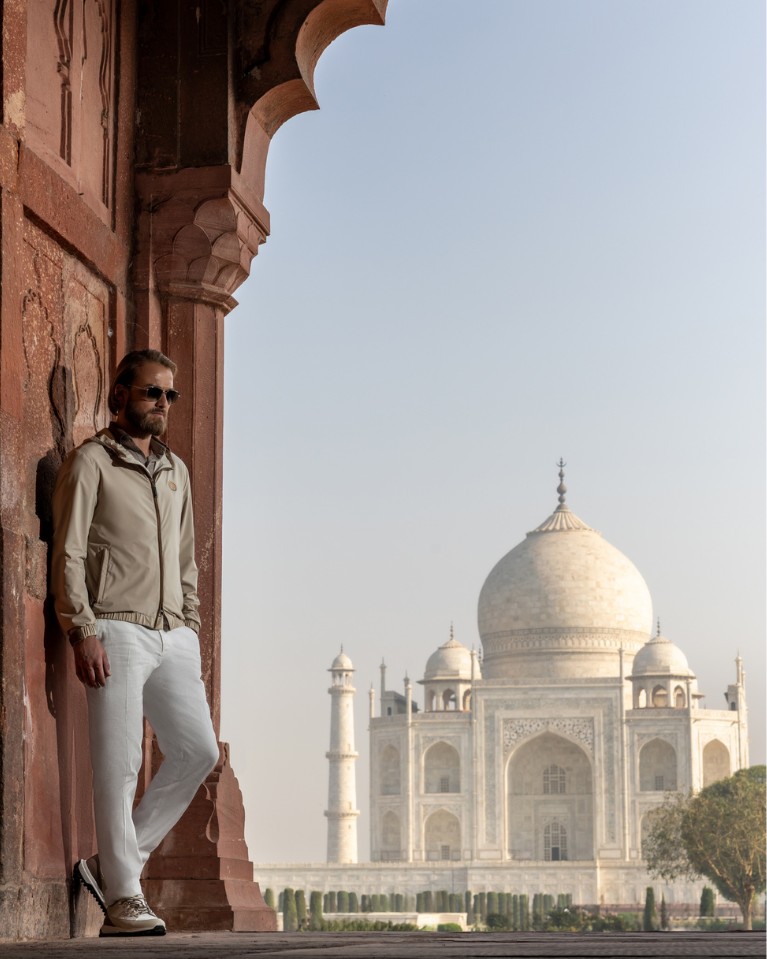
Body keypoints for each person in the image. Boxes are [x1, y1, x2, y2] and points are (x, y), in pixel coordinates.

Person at [51, 349, 219, 937]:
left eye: (170, 396)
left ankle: (111, 865)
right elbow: (68, 551)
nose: (163, 405)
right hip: (114, 626)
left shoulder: (176, 472)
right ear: (120, 394)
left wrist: (190, 625)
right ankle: (124, 898)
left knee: (199, 751)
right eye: (152, 392)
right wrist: (82, 627)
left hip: (171, 632)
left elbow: (185, 558)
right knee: (119, 764)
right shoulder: (91, 462)